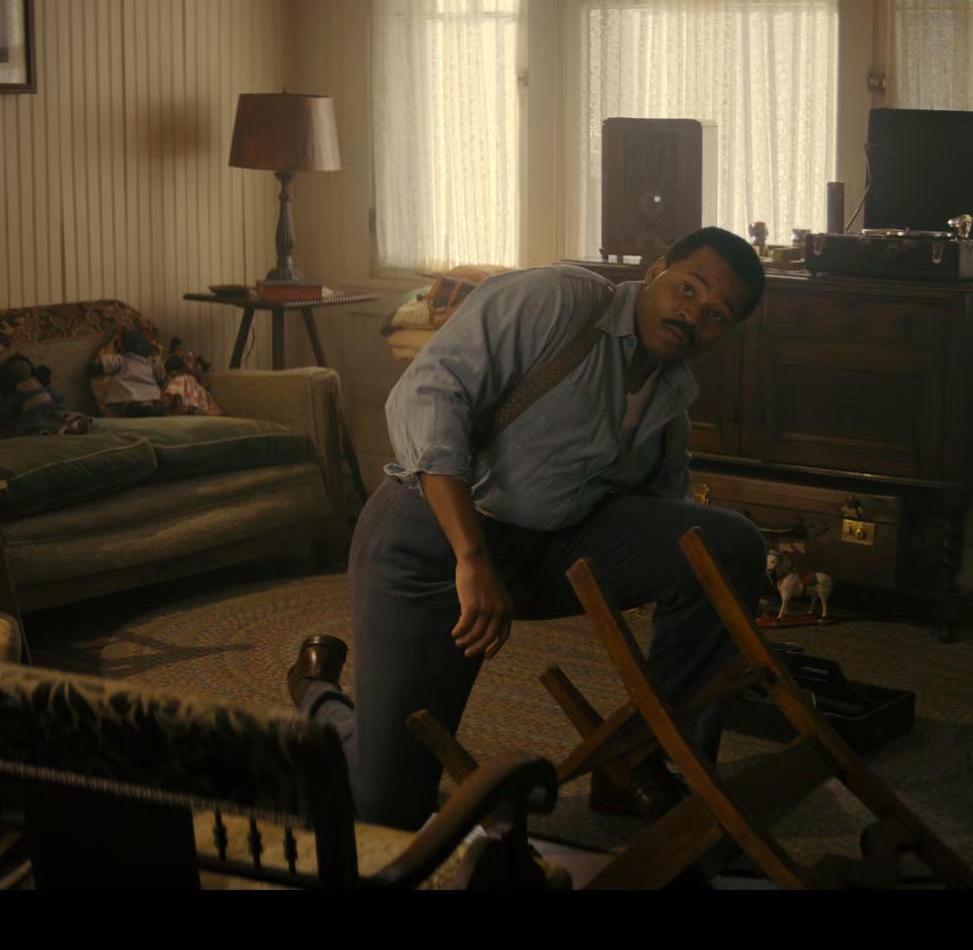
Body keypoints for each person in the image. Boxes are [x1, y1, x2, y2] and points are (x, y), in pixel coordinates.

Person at [287, 225, 771, 832]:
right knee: (389, 807)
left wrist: (704, 614)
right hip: (431, 547)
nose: (693, 315)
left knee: (723, 546)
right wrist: (470, 558)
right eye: (689, 288)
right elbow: (428, 393)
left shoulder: (673, 393)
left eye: (716, 314)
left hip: (546, 549)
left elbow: (665, 508)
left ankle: (639, 764)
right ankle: (318, 694)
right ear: (655, 271)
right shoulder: (560, 299)